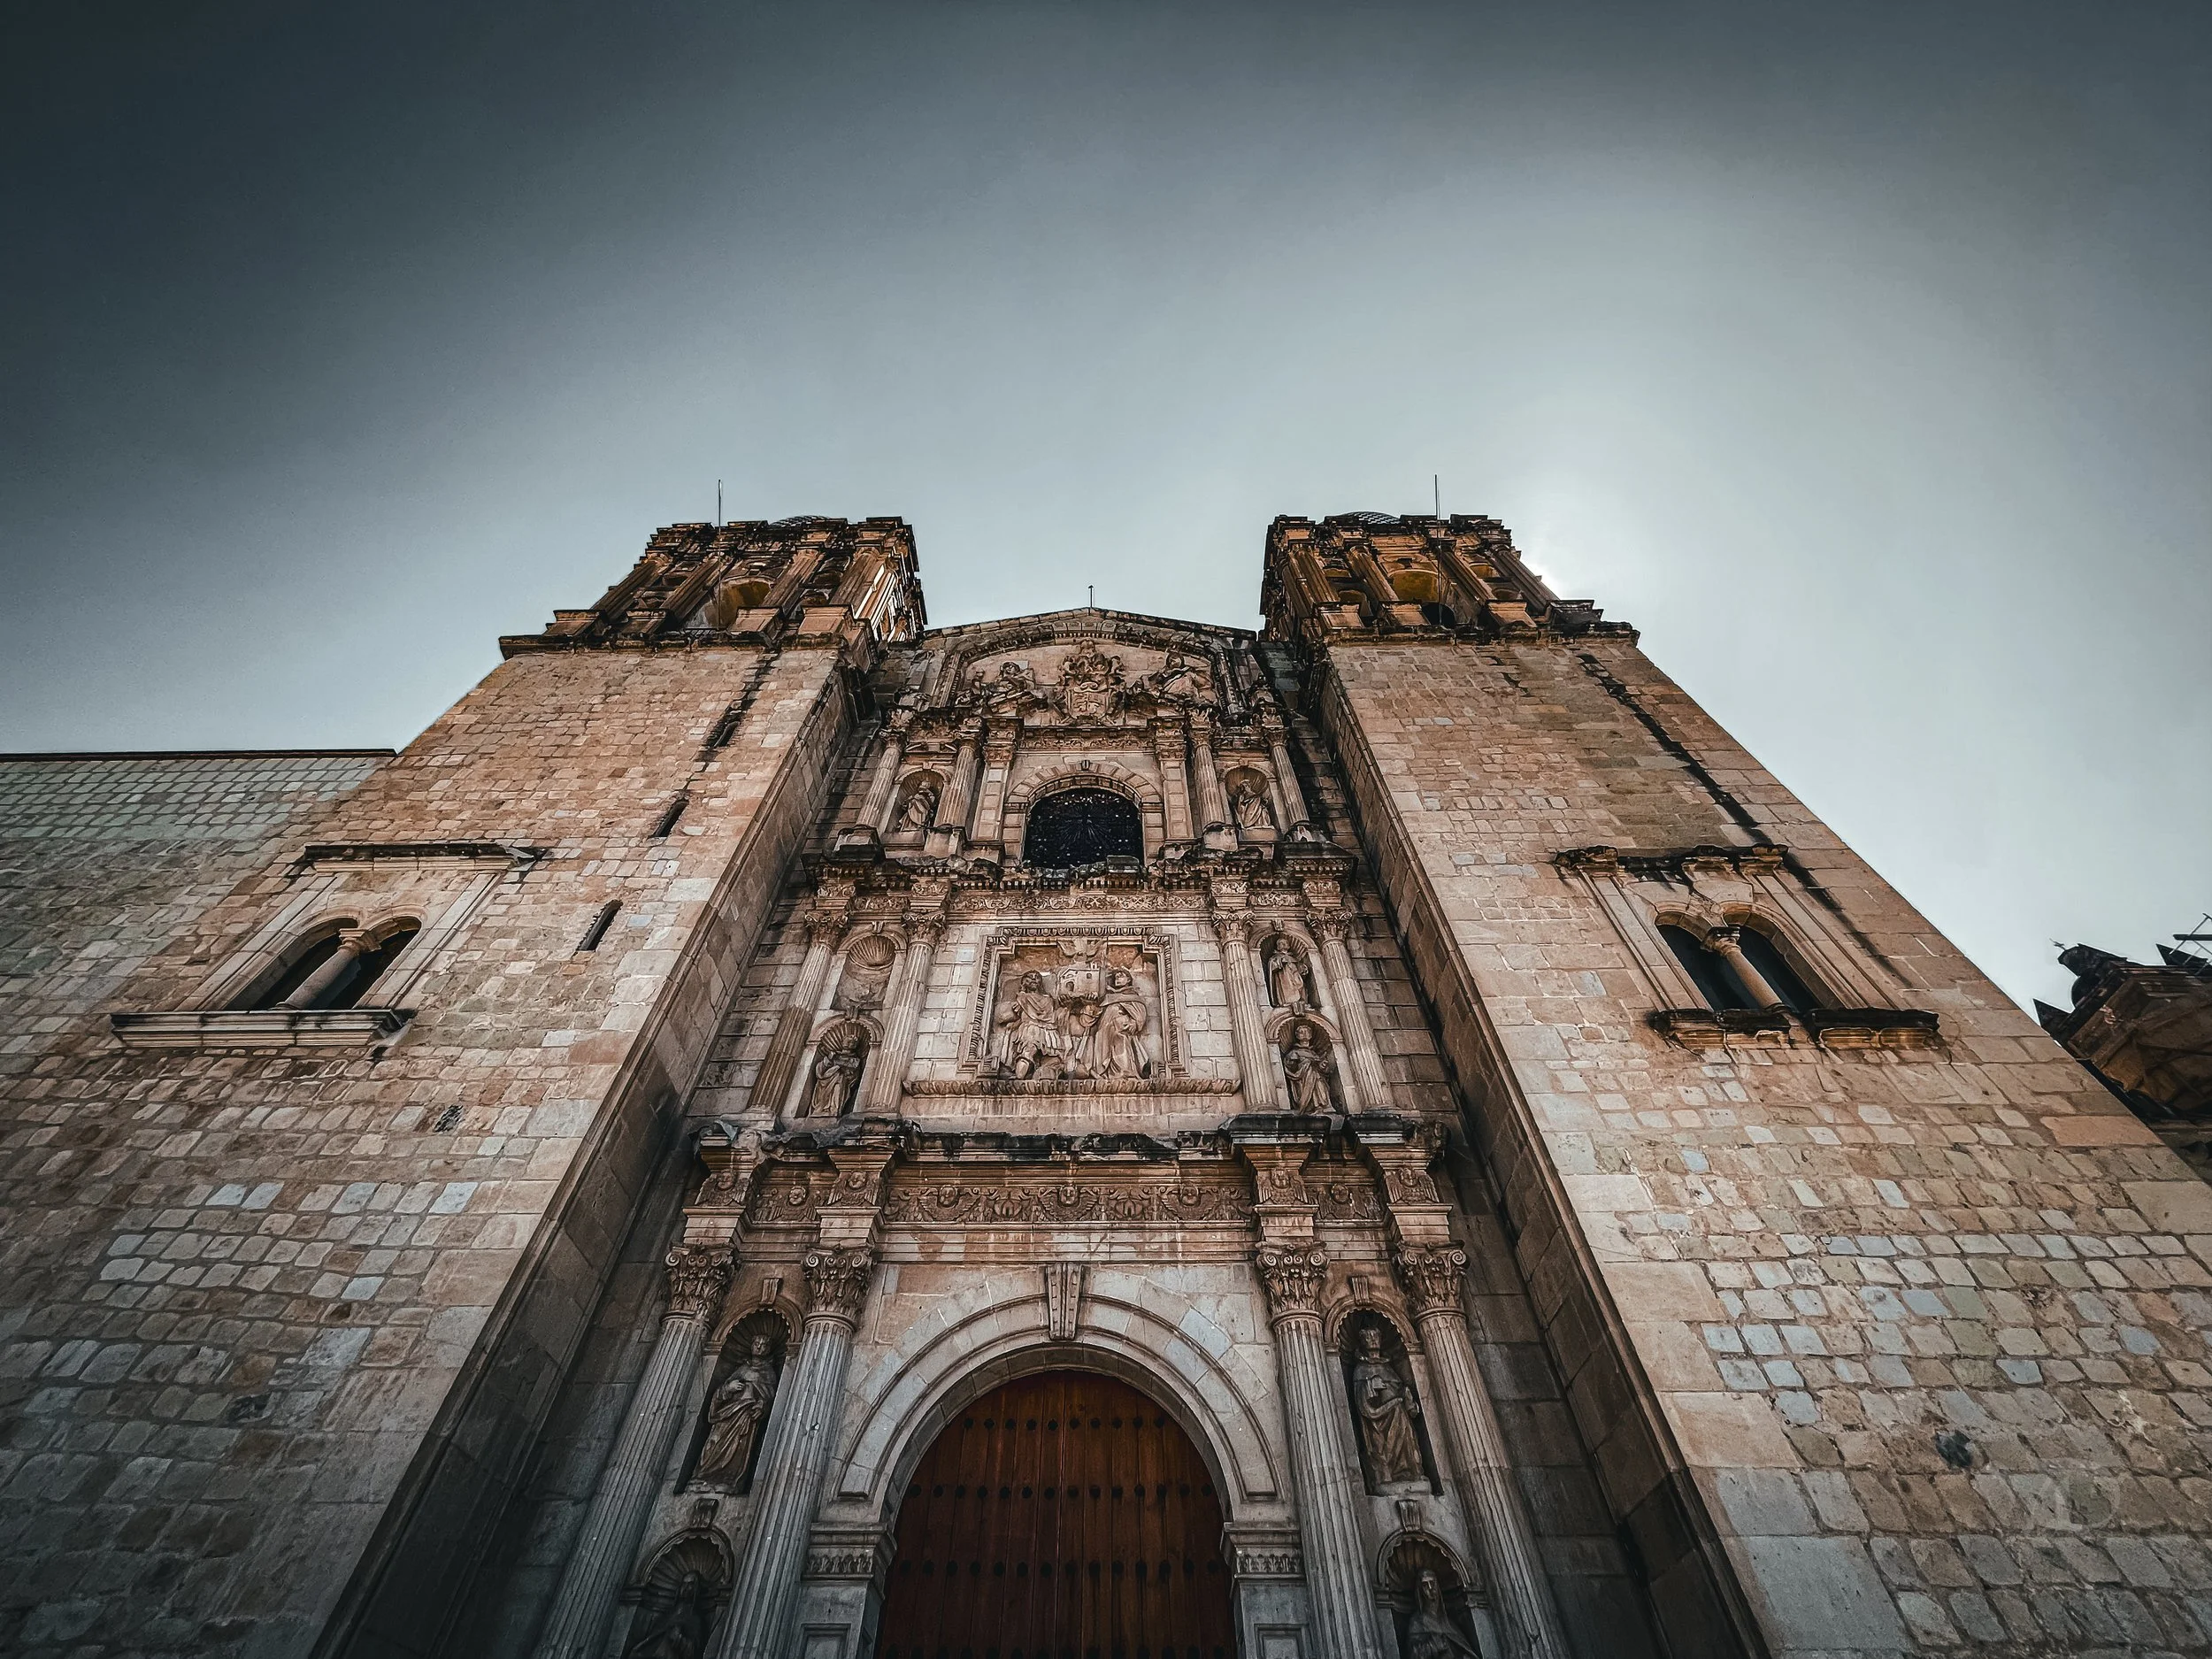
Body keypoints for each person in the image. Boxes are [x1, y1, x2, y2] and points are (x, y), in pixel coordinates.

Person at [696, 1334, 778, 1485]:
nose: (759, 1347)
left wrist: (761, 1407)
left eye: (763, 1345)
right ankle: (703, 1475)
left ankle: (729, 1478)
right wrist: (729, 1388)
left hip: (745, 1417)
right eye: (756, 1343)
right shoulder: (742, 1369)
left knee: (738, 1448)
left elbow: (769, 1397)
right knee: (713, 1443)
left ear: (769, 1349)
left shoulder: (769, 1373)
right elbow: (720, 1393)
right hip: (727, 1414)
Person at [1352, 1325, 1425, 1486]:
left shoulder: (1388, 1367)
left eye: (1376, 1336)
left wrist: (1407, 1398)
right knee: (1380, 1449)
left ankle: (1410, 1471)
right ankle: (1383, 1476)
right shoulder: (1361, 1369)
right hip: (1378, 1421)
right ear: (1362, 1342)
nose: (1373, 1340)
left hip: (1400, 1416)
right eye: (1369, 1337)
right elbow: (1363, 1403)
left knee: (1408, 1443)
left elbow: (1400, 1390)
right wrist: (1370, 1387)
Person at [990, 970, 1066, 1077]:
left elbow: (1053, 1016)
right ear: (1024, 982)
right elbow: (1003, 1017)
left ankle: (1041, 1076)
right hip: (1031, 1028)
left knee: (1054, 1058)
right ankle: (1019, 1078)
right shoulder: (1022, 998)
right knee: (1028, 1051)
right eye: (1030, 977)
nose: (1034, 979)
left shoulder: (1048, 999)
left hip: (1049, 1031)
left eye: (1037, 977)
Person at [626, 1571, 711, 1659]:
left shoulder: (696, 1618)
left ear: (697, 1589)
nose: (685, 1588)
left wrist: (679, 1638)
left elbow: (695, 1651)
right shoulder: (668, 1614)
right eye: (684, 1584)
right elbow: (653, 1637)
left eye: (690, 1584)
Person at [1404, 1570, 1479, 1659]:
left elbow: (1465, 1651)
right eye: (1425, 1585)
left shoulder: (1450, 1624)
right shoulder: (1417, 1622)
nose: (1430, 1588)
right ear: (1420, 1590)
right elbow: (1414, 1654)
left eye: (1432, 1583)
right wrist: (1434, 1645)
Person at [1093, 969, 1152, 1079]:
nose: (1117, 978)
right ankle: (1107, 1072)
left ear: (1128, 979)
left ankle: (1125, 1071)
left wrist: (1135, 1023)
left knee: (1120, 1042)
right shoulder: (1108, 998)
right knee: (1106, 1049)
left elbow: (1139, 1013)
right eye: (1116, 977)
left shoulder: (1132, 996)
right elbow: (1097, 1014)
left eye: (1121, 976)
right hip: (1105, 1031)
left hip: (1121, 1029)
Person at [803, 1031, 864, 1117]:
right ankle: (822, 1108)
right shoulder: (833, 1055)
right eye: (846, 1041)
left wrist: (841, 1068)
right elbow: (821, 1069)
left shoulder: (855, 1059)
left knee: (838, 1084)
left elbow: (854, 1074)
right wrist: (829, 1059)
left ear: (855, 1046)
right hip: (827, 1081)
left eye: (851, 1042)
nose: (848, 1043)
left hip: (841, 1081)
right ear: (842, 1042)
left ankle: (833, 1109)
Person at [1281, 1023, 1335, 1115]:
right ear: (1297, 1035)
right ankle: (1313, 1106)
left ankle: (1322, 1106)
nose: (1305, 1034)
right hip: (1304, 1078)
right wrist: (1294, 1062)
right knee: (1311, 1075)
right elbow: (1290, 1067)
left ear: (1311, 1035)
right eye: (1301, 1033)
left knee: (1320, 1087)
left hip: (1318, 1077)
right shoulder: (1295, 1052)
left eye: (1307, 1032)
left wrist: (1322, 1065)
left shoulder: (1314, 1053)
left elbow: (1324, 1071)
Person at [1264, 940, 1308, 1009]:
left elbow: (1299, 967)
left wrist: (1303, 969)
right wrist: (1280, 962)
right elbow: (1272, 967)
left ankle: (1301, 1001)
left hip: (1295, 974)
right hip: (1284, 975)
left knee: (1300, 985)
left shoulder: (1293, 958)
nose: (1284, 944)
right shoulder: (1275, 957)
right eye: (1282, 943)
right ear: (1278, 947)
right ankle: (1288, 1001)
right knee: (1287, 986)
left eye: (1286, 943)